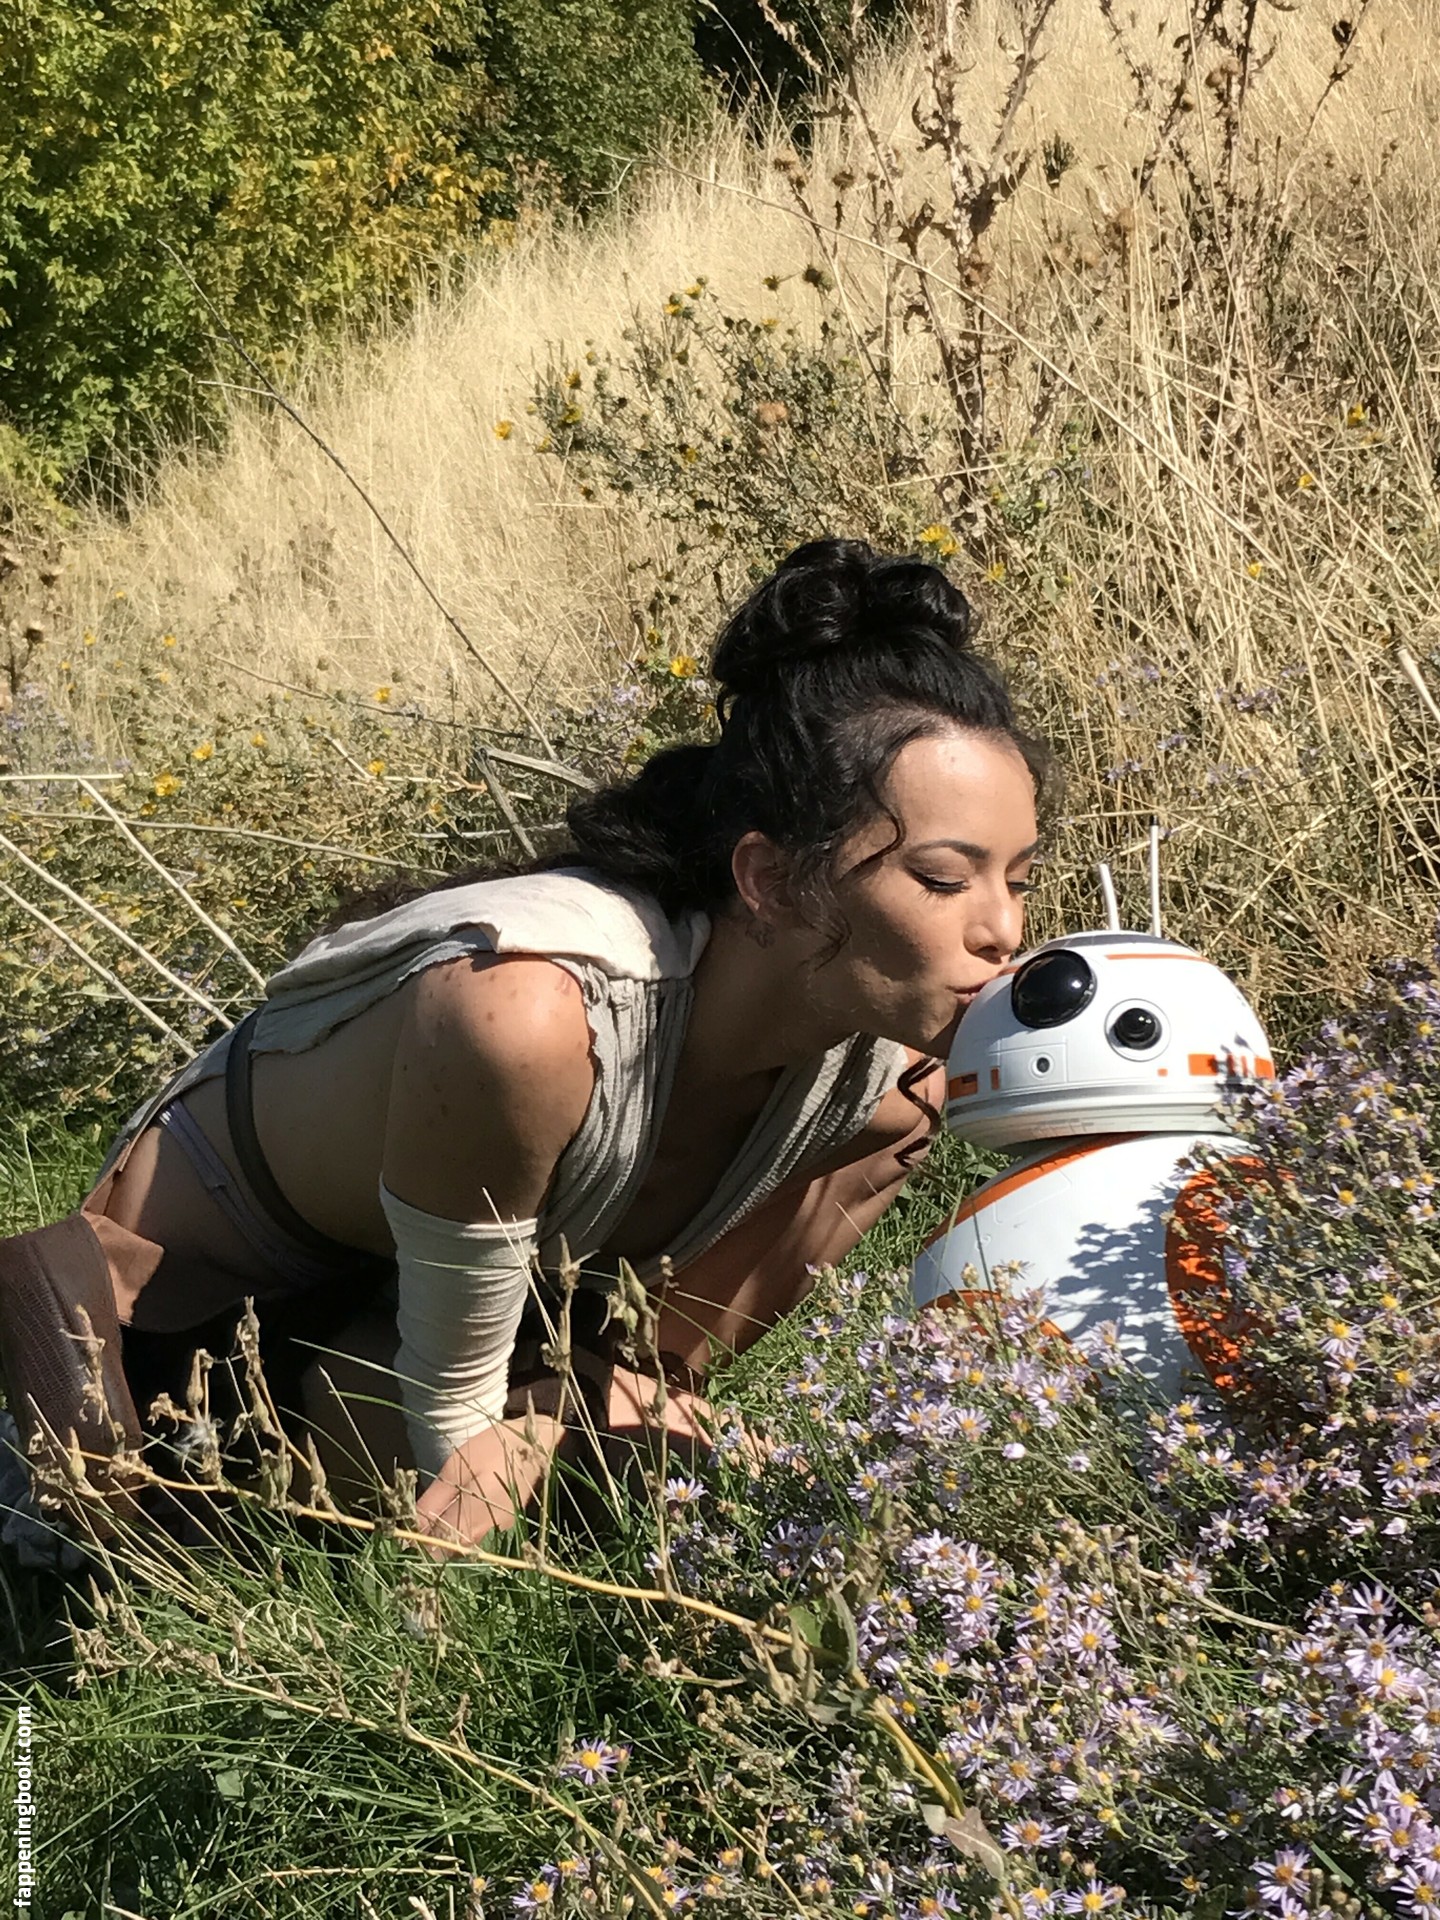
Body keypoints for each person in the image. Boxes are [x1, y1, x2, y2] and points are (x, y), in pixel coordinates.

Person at [0, 537, 1046, 1553]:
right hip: (200, 1306)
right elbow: (452, 1425)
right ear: (769, 879)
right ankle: (91, 1434)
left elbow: (663, 1366)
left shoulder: (888, 1081)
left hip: (435, 1310)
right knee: (585, 1482)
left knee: (673, 1457)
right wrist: (536, 1462)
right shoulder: (530, 1013)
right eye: (945, 879)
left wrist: (621, 1407)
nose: (1003, 928)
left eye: (1019, 876)